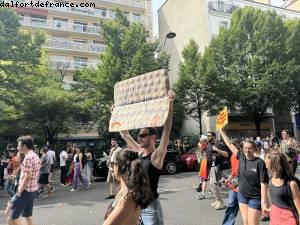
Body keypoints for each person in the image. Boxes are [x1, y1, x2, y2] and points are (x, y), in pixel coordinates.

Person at [119, 90, 175, 225]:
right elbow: (125, 134)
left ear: (153, 137)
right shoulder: (139, 151)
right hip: (136, 206)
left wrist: (170, 104)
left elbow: (167, 130)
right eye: (139, 135)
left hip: (150, 208)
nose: (139, 138)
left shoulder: (156, 156)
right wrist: (116, 114)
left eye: (143, 135)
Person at [220, 129, 270, 225]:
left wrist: (264, 202)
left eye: (249, 148)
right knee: (246, 222)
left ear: (255, 149)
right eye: (245, 148)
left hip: (255, 197)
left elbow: (264, 183)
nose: (247, 150)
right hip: (242, 195)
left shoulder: (259, 162)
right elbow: (229, 144)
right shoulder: (241, 157)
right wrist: (221, 131)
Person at [103, 150, 153, 225]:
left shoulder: (127, 197)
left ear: (119, 166)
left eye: (113, 164)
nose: (112, 168)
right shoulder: (129, 189)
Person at [6, 135, 41, 225]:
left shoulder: (28, 158)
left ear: (24, 146)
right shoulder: (35, 156)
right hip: (32, 190)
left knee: (11, 218)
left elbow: (28, 176)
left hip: (25, 191)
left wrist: (20, 191)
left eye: (18, 145)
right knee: (27, 216)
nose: (17, 147)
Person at [268, 152, 300, 225]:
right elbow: (276, 201)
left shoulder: (291, 184)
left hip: (288, 218)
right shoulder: (271, 179)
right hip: (274, 216)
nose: (265, 162)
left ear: (274, 165)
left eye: (267, 160)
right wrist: (270, 209)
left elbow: (299, 208)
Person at [206, 131, 229, 210]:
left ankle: (220, 202)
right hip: (210, 167)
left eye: (209, 136)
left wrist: (218, 151)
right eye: (207, 136)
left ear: (214, 137)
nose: (207, 137)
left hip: (217, 166)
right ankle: (217, 200)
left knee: (215, 184)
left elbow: (226, 154)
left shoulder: (219, 145)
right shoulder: (208, 145)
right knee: (212, 184)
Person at [221, 138, 241, 225]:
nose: (229, 148)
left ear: (237, 146)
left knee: (246, 209)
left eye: (232, 146)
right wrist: (227, 180)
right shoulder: (233, 156)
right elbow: (233, 172)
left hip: (242, 186)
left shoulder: (243, 156)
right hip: (234, 185)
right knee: (231, 206)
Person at [196, 135, 209, 199]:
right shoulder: (204, 145)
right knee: (204, 178)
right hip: (204, 162)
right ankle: (202, 192)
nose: (201, 142)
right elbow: (201, 153)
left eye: (202, 141)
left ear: (205, 141)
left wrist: (200, 146)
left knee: (205, 179)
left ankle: (203, 193)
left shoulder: (206, 146)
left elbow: (203, 152)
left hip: (206, 162)